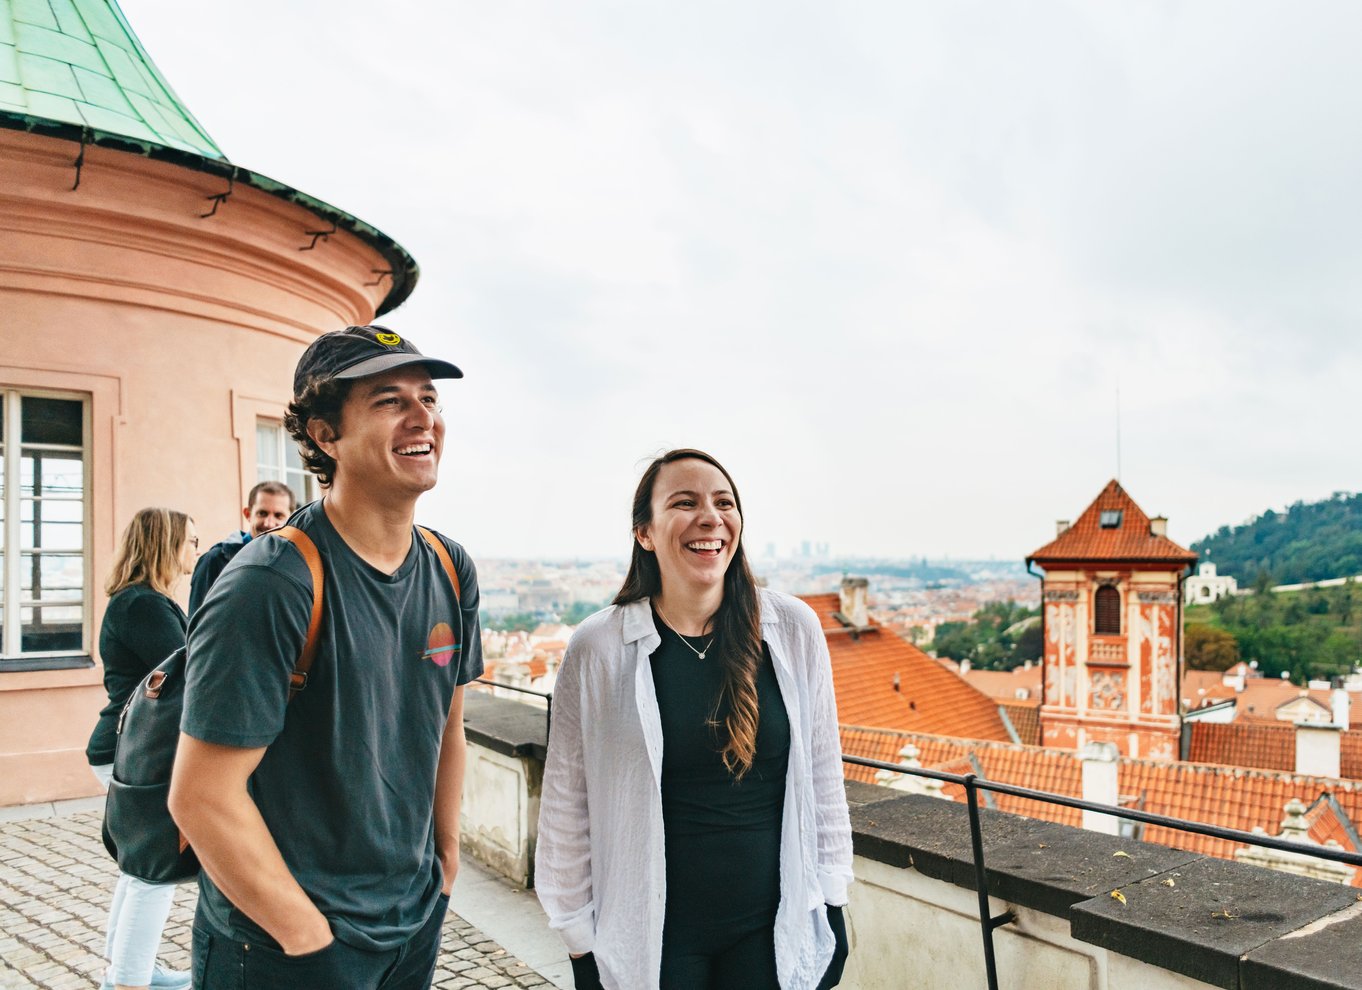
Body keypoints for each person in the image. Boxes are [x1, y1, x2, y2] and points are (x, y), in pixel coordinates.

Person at [168, 325, 482, 990]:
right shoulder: (273, 581)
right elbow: (200, 796)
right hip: (285, 946)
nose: (422, 416)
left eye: (429, 398)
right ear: (323, 435)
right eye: (389, 401)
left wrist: (444, 866)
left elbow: (447, 727)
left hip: (411, 922)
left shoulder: (451, 568)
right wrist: (309, 941)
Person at [536, 449, 854, 990]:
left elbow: (823, 773)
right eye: (685, 503)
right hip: (652, 937)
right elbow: (568, 800)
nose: (710, 517)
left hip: (773, 931)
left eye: (723, 503)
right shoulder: (599, 648)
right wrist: (576, 938)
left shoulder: (792, 629)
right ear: (645, 533)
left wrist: (832, 897)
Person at [87, 507, 200, 990]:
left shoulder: (138, 600)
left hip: (126, 749)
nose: (197, 547)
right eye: (190, 540)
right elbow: (186, 678)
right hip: (137, 752)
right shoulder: (144, 606)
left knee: (139, 869)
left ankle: (126, 969)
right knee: (153, 873)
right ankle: (130, 981)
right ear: (166, 543)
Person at [187, 480, 296, 614]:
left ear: (291, 518)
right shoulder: (214, 560)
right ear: (248, 514)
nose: (269, 523)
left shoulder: (296, 564)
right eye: (262, 513)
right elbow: (196, 624)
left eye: (278, 515)